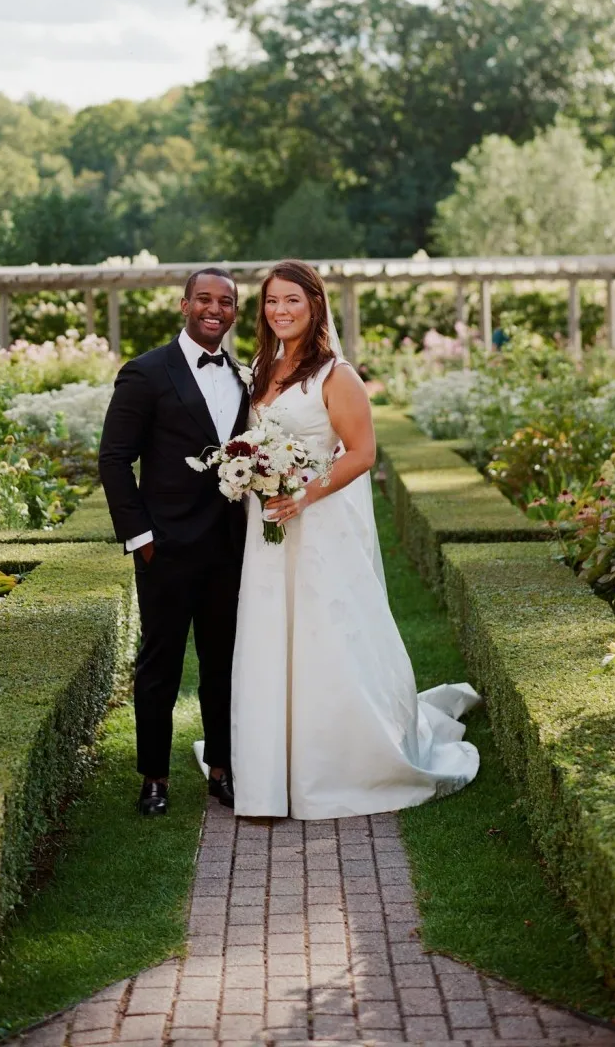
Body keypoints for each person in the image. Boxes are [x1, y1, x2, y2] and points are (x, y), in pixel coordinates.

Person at [223, 259, 480, 819]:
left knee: (325, 632)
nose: (280, 310)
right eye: (271, 301)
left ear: (314, 304)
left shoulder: (336, 375)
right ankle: (268, 769)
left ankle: (334, 764)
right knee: (271, 633)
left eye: (292, 300)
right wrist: (248, 472)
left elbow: (361, 453)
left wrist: (305, 494)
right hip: (266, 524)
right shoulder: (261, 369)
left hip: (316, 525)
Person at [98, 268, 249, 817]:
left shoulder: (243, 376)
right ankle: (154, 778)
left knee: (224, 662)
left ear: (234, 312)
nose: (215, 309)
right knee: (159, 664)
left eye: (226, 302)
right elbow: (114, 459)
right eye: (205, 299)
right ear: (184, 305)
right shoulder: (145, 372)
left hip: (230, 549)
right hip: (164, 548)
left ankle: (224, 770)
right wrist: (141, 538)